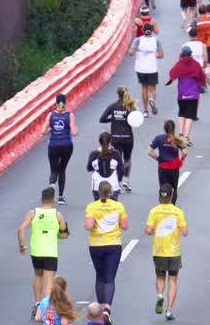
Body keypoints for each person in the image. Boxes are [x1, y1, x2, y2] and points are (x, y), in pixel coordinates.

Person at [19, 187, 71, 317]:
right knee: (49, 282)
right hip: (50, 252)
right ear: (53, 200)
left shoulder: (33, 213)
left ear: (41, 199)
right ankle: (45, 312)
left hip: (36, 251)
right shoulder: (57, 215)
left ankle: (37, 304)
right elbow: (64, 234)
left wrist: (22, 246)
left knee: (38, 276)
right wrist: (58, 233)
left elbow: (21, 229)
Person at [84, 181, 129, 320]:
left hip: (96, 245)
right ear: (111, 193)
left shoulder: (91, 207)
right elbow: (124, 226)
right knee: (110, 278)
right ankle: (107, 309)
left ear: (98, 192)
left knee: (100, 276)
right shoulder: (119, 206)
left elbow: (88, 226)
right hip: (113, 245)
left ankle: (101, 307)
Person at [145, 183, 188, 321]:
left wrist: (155, 231)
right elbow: (185, 232)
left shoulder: (154, 211)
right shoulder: (178, 212)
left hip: (159, 251)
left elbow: (148, 230)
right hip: (174, 251)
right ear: (172, 195)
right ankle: (169, 310)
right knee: (173, 280)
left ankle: (159, 295)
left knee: (160, 277)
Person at [99, 86, 139, 190]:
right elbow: (137, 120)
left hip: (116, 138)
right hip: (128, 138)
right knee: (127, 159)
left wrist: (112, 119)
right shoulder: (130, 106)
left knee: (117, 160)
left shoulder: (112, 106)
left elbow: (102, 119)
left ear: (117, 94)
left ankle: (118, 182)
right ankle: (126, 180)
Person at [165, 44, 206, 144]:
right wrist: (203, 84)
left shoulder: (179, 64)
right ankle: (186, 137)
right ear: (190, 54)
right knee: (190, 116)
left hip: (182, 94)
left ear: (182, 54)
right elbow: (202, 77)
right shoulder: (196, 64)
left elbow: (172, 74)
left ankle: (180, 134)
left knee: (182, 113)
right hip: (193, 94)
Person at [45, 94, 79, 204]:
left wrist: (50, 129)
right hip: (66, 146)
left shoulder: (51, 115)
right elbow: (74, 132)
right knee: (62, 169)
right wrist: (76, 130)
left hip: (53, 145)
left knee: (54, 170)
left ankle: (51, 189)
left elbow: (42, 131)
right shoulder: (70, 115)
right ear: (66, 102)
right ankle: (60, 197)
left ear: (55, 103)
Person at [147, 120, 188, 205]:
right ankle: (172, 205)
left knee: (163, 188)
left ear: (165, 129)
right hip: (174, 168)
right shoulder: (178, 139)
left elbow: (150, 152)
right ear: (174, 128)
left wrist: (158, 159)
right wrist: (181, 161)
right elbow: (185, 152)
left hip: (163, 168)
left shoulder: (159, 138)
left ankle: (163, 205)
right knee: (174, 189)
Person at [127, 25, 164, 116]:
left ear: (143, 31)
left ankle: (146, 111)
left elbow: (130, 53)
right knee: (152, 89)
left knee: (144, 87)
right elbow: (161, 55)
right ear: (151, 31)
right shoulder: (156, 41)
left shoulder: (138, 40)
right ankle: (152, 99)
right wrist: (154, 55)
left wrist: (137, 50)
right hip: (152, 68)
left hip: (140, 68)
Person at [87, 132, 123, 201]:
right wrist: (119, 180)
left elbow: (89, 168)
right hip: (113, 185)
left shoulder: (94, 154)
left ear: (99, 141)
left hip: (97, 186)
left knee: (99, 208)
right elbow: (121, 170)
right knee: (113, 209)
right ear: (110, 141)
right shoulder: (116, 153)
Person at [193, 4, 210, 76]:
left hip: (199, 45)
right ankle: (205, 74)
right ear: (206, 12)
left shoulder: (196, 21)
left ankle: (202, 75)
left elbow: (190, 31)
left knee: (200, 62)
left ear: (198, 12)